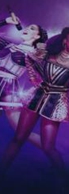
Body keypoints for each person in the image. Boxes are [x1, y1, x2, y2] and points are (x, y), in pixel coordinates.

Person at [0, 27, 69, 173]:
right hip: (37, 95)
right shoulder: (48, 54)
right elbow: (29, 57)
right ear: (64, 40)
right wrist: (34, 78)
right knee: (18, 138)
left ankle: (65, 182)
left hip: (57, 102)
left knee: (48, 147)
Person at [0, 12, 48, 148]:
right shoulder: (8, 45)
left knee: (20, 132)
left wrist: (32, 91)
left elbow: (45, 74)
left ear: (37, 36)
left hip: (8, 90)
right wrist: (6, 21)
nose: (27, 29)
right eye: (27, 27)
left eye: (32, 28)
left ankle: (51, 151)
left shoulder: (35, 54)